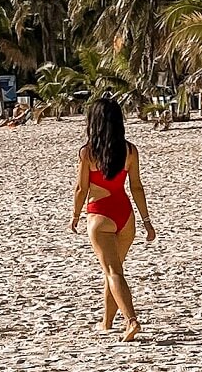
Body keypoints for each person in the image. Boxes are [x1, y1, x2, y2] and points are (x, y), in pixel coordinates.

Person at [69, 98, 155, 341]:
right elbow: (136, 187)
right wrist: (146, 220)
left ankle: (131, 321)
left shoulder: (87, 153)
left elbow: (80, 189)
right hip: (125, 215)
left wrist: (75, 215)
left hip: (100, 215)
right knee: (114, 270)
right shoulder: (130, 150)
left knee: (113, 271)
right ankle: (106, 323)